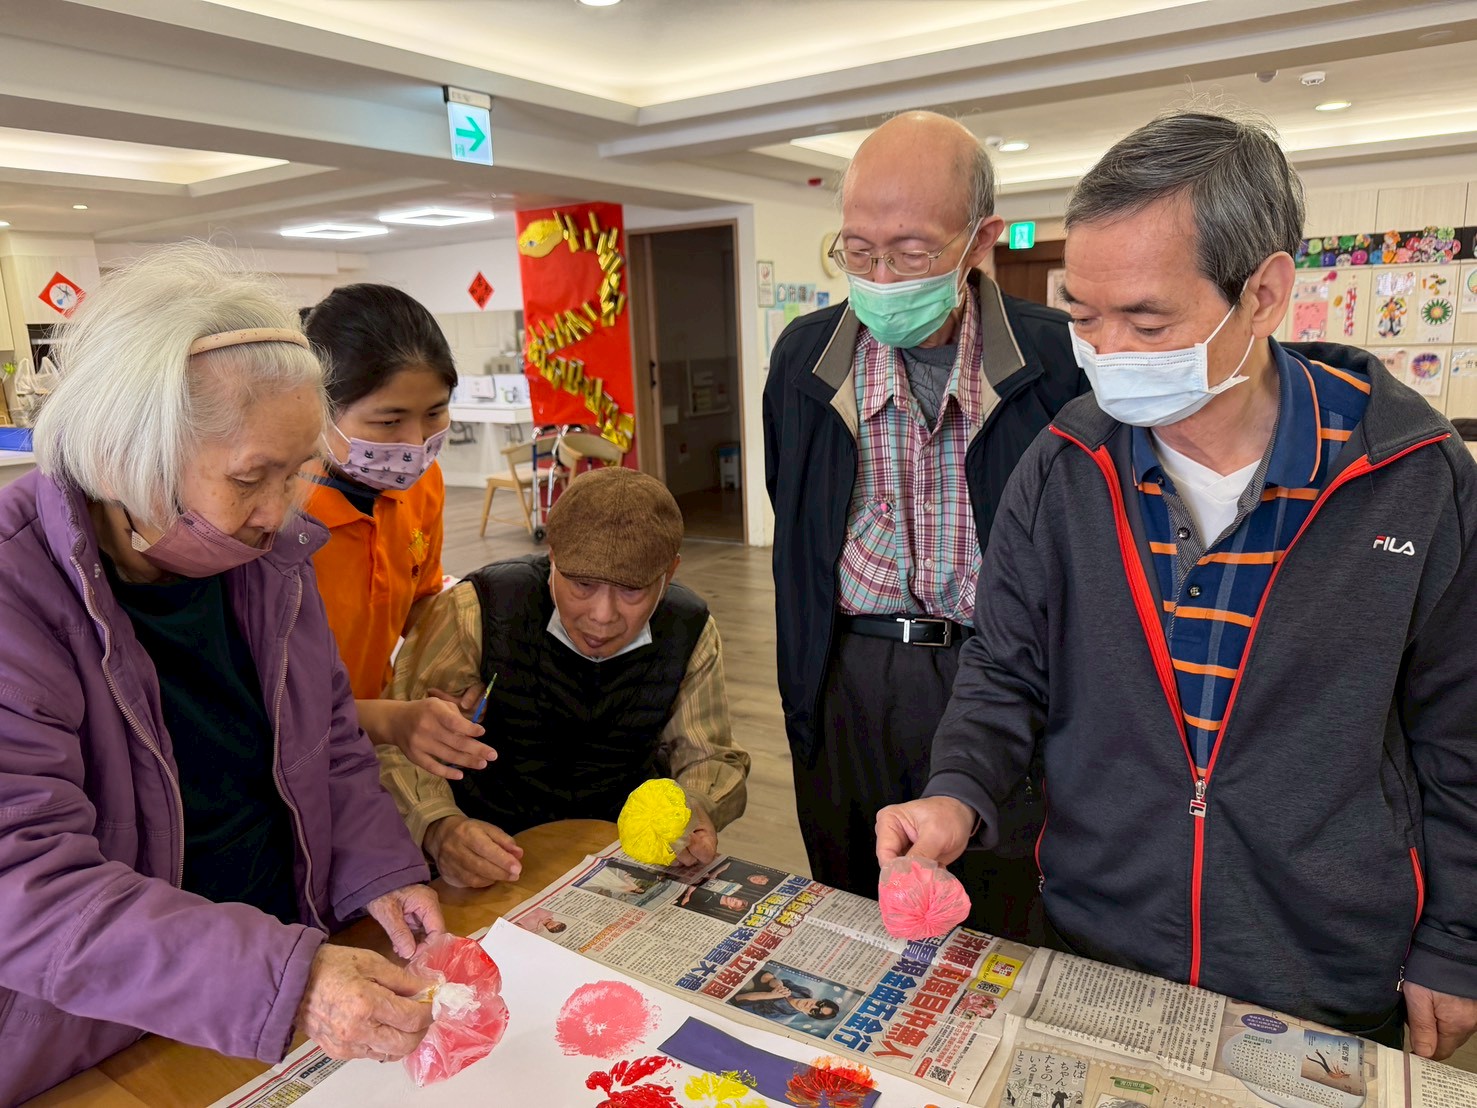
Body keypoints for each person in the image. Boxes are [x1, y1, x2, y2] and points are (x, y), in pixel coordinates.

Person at [877, 110, 1477, 1057]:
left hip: (1321, 963)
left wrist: (1455, 939)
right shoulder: (1064, 465)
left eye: (1146, 319)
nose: (1108, 350)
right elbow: (1005, 669)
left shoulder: (1409, 477)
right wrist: (955, 793)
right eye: (1083, 316)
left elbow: (1460, 732)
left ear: (1264, 294)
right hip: (1097, 936)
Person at [0, 244, 443, 1103]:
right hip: (99, 1033)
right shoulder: (17, 592)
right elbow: (24, 886)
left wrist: (378, 872)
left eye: (299, 471)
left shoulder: (269, 560)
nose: (278, 514)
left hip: (274, 971)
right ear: (125, 453)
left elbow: (329, 742)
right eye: (250, 478)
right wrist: (286, 981)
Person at [763, 110, 1087, 938]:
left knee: (1000, 912)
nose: (880, 277)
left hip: (997, 676)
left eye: (910, 253)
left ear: (980, 240)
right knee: (853, 900)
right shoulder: (803, 358)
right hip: (848, 673)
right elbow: (795, 523)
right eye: (857, 251)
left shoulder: (1060, 362)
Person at [379, 467, 750, 887]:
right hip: (488, 851)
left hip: (623, 856)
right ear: (553, 555)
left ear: (670, 574)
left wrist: (698, 803)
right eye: (582, 584)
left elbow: (710, 754)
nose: (602, 616)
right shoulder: (478, 609)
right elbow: (397, 742)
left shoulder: (690, 629)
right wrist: (438, 826)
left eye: (632, 590)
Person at [302, 285, 494, 780]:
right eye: (389, 421)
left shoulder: (423, 485)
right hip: (288, 751)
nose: (415, 443)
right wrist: (391, 720)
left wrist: (445, 671)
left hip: (365, 741)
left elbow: (420, 599)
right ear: (317, 407)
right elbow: (269, 693)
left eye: (434, 413)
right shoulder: (278, 517)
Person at [732, 971, 840, 1021]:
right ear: (819, 999)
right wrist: (778, 985)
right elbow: (781, 981)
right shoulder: (806, 992)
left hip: (745, 994)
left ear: (807, 1014)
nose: (812, 1005)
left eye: (815, 1011)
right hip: (760, 981)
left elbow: (738, 999)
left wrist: (770, 995)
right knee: (768, 975)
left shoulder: (778, 1015)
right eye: (819, 1004)